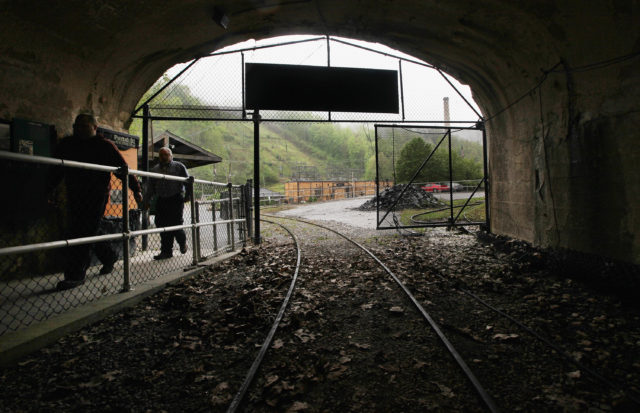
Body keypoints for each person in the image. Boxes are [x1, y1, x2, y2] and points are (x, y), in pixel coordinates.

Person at [49, 114, 143, 291]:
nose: (80, 129)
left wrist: (136, 189)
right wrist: (49, 189)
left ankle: (75, 274)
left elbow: (122, 169)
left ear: (94, 127)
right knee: (89, 228)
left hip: (96, 195)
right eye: (77, 126)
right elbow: (55, 169)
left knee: (82, 230)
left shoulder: (104, 146)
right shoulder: (68, 144)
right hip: (75, 193)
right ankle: (109, 256)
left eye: (85, 126)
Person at [144, 147, 190, 260]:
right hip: (161, 199)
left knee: (176, 224)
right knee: (161, 224)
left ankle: (182, 243)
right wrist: (146, 201)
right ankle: (166, 252)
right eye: (161, 155)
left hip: (175, 198)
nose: (164, 157)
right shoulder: (155, 170)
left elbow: (188, 182)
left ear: (171, 156)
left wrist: (187, 196)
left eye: (166, 155)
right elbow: (150, 187)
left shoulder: (179, 167)